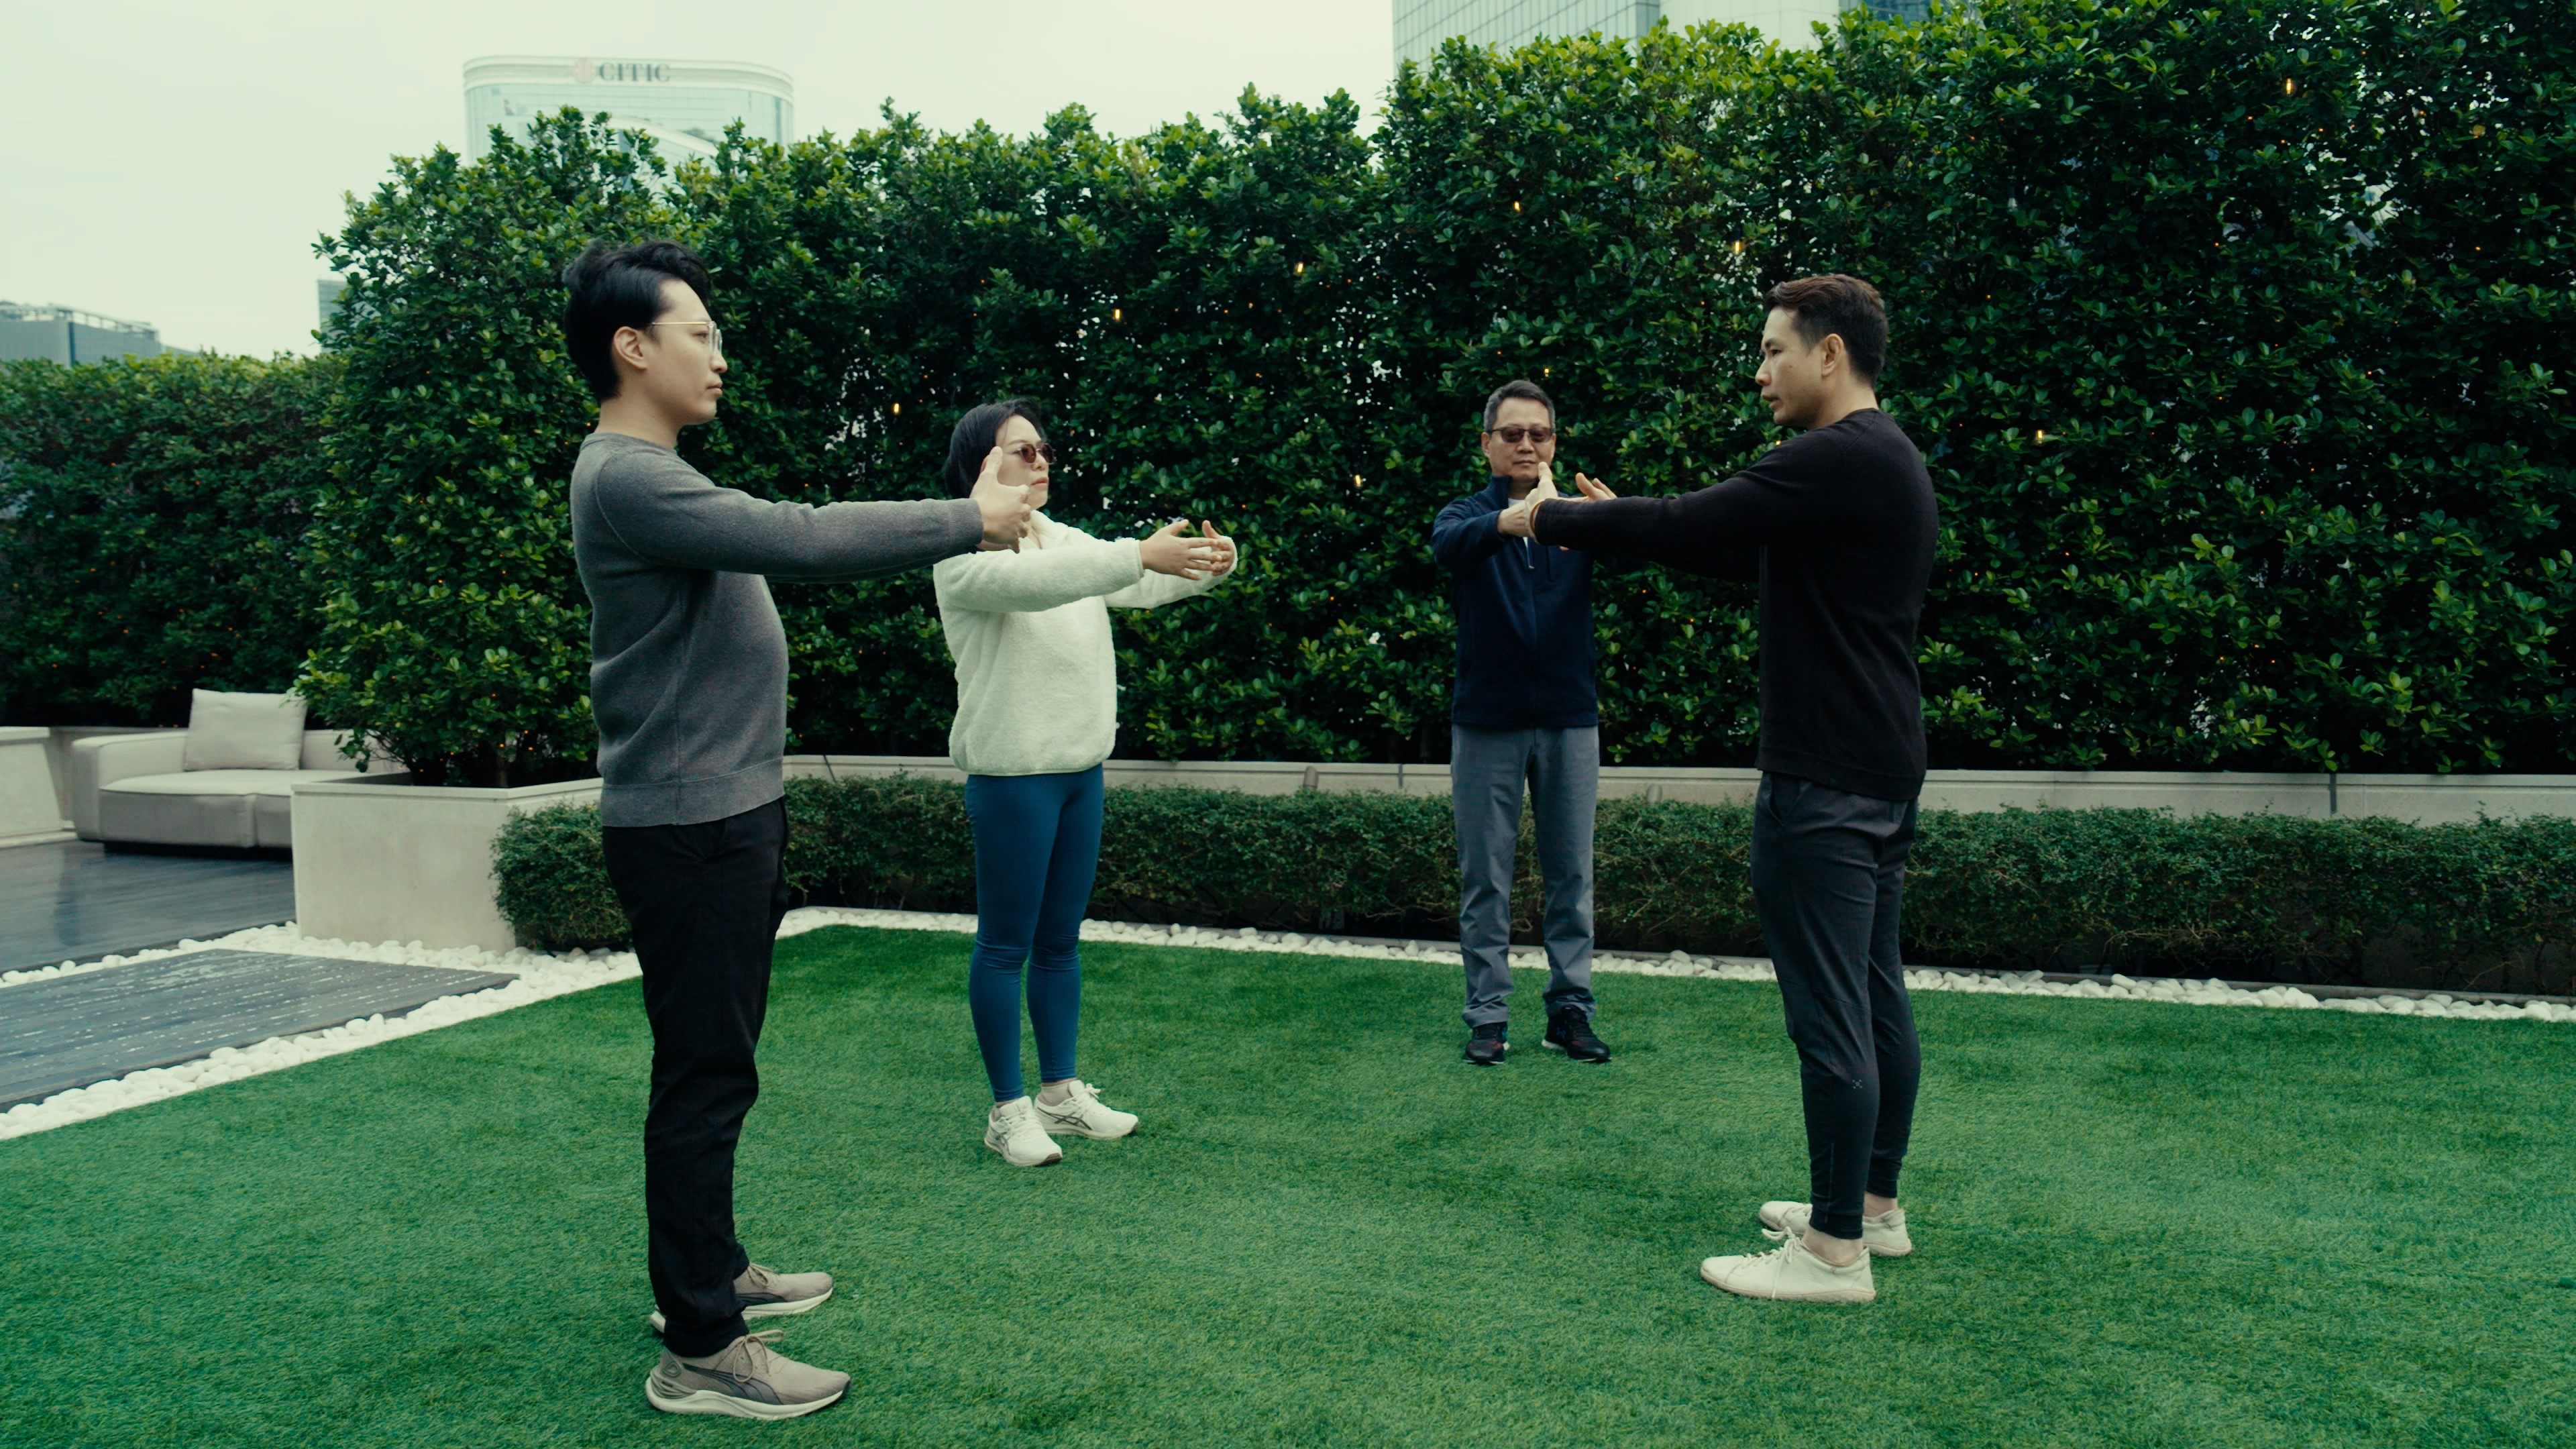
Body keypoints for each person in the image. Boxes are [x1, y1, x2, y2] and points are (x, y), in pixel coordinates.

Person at [564, 239, 1033, 1417]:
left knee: (716, 1070)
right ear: (633, 347)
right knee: (705, 1080)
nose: (719, 358)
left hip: (719, 813)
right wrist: (967, 518)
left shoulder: (654, 472)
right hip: (691, 825)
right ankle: (702, 1352)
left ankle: (710, 1278)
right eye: (699, 335)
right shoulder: (628, 475)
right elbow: (803, 536)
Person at [1503, 275, 1937, 1305]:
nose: (1760, 370)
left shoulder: (1832, 455)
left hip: (1825, 782)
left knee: (1834, 1015)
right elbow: (1750, 555)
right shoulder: (1885, 460)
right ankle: (1873, 1210)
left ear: (1830, 354)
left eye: (1775, 349)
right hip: (1878, 768)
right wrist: (1623, 526)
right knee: (1874, 999)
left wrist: (1552, 518)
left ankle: (1834, 1254)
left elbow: (1698, 519)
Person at [929, 399, 1239, 1167]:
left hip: (1079, 773)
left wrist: (1204, 569)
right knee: (1005, 946)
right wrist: (1138, 555)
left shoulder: (1061, 538)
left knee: (1059, 942)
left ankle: (1059, 1096)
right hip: (1012, 781)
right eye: (1022, 451)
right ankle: (1008, 1110)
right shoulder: (961, 552)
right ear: (981, 466)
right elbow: (1054, 583)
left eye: (1043, 450)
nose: (1040, 462)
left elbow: (1126, 580)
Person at [1430, 380, 1613, 1067]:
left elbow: (1636, 544)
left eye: (1539, 434)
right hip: (1488, 723)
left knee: (1572, 875)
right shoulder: (1464, 517)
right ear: (1488, 444)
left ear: (1554, 444)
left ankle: (1571, 1011)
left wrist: (1612, 519)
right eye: (1512, 434)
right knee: (1487, 877)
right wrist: (1507, 522)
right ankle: (1488, 1015)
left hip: (1569, 721)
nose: (1526, 445)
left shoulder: (1577, 516)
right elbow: (1446, 545)